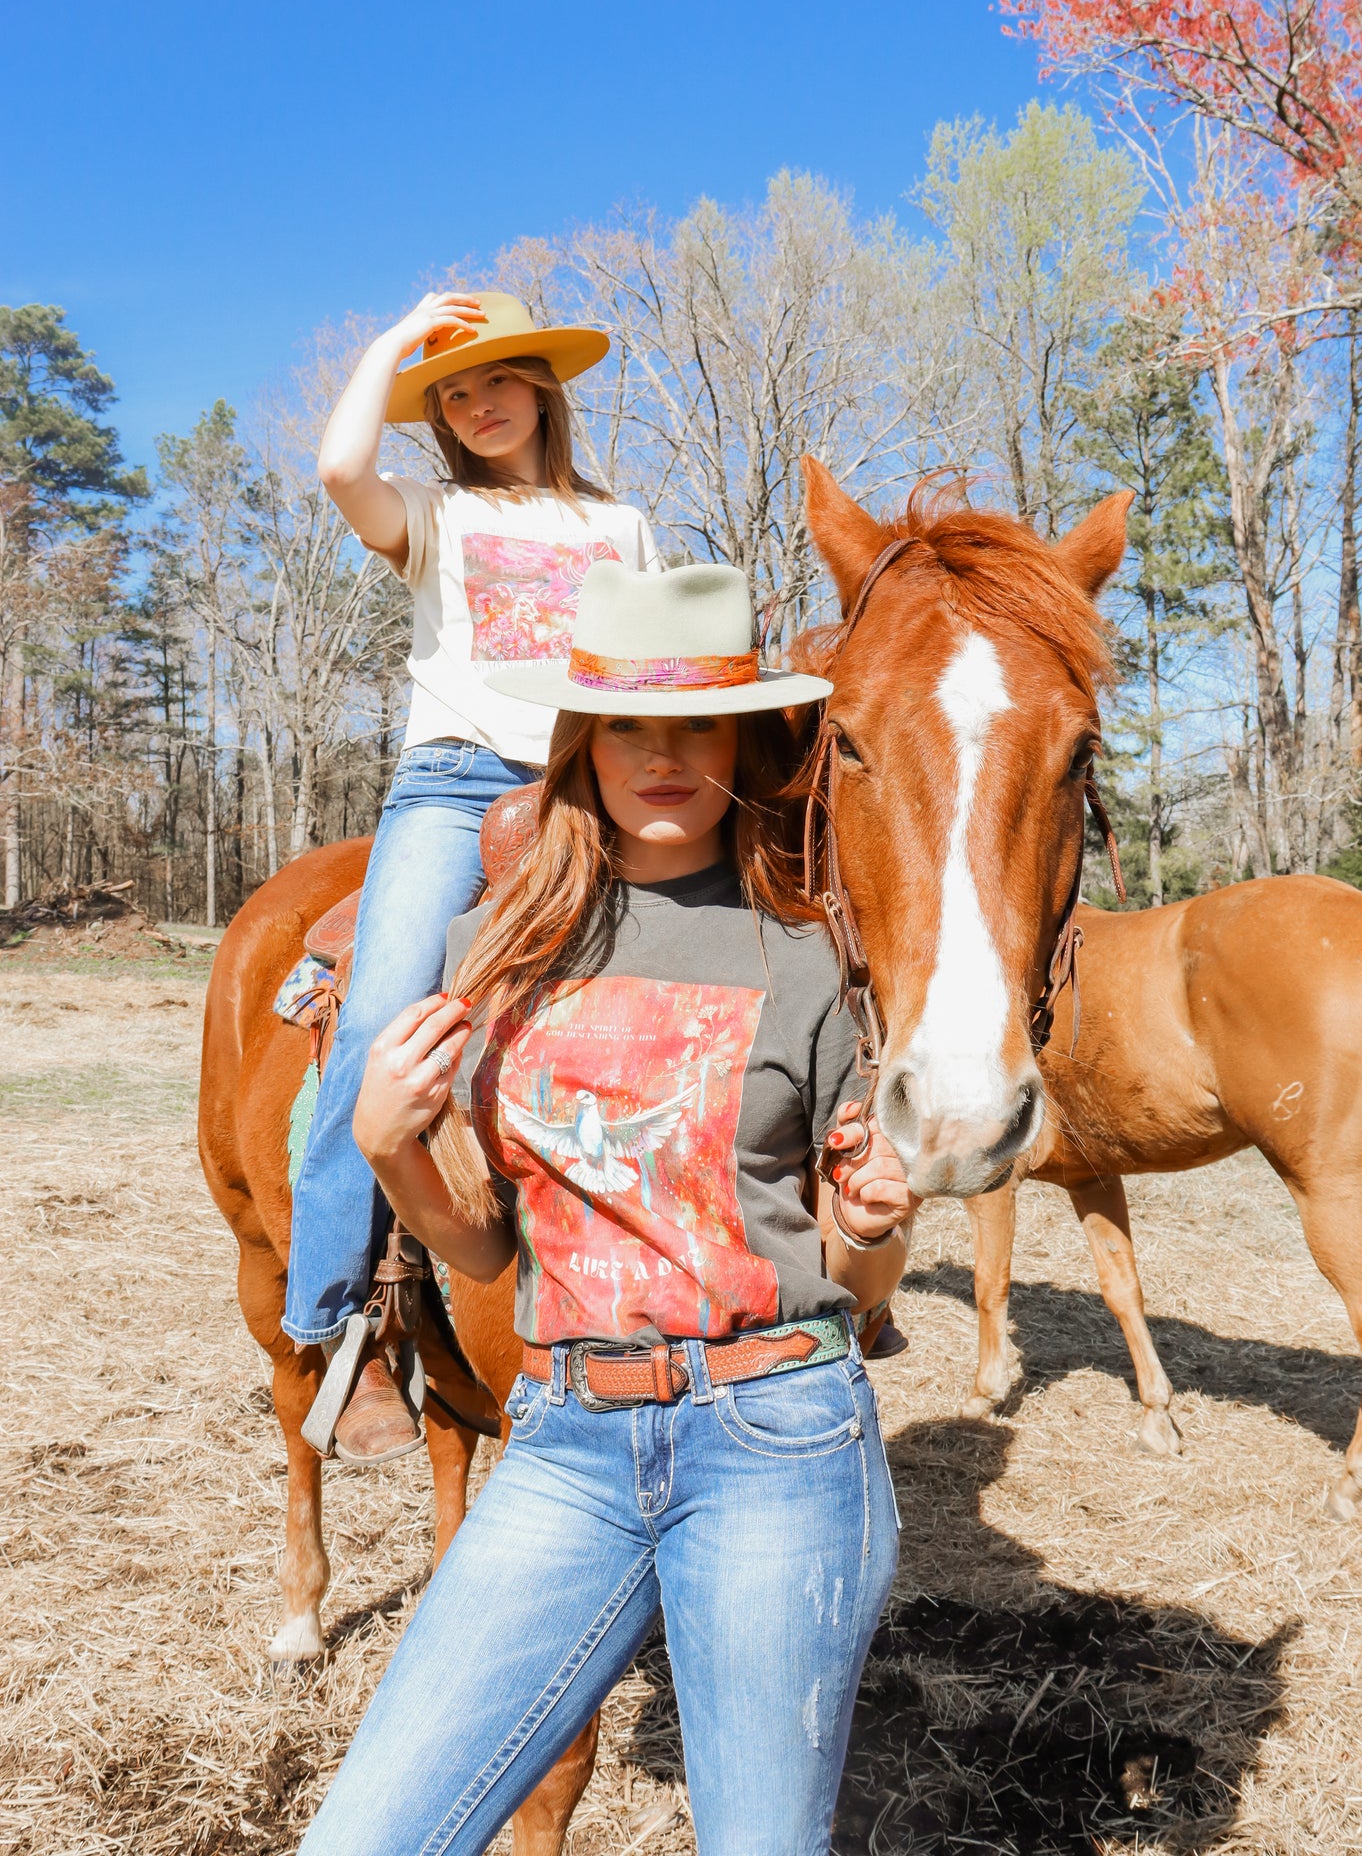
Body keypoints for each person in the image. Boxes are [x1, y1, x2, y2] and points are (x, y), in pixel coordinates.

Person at [298, 559, 915, 1856]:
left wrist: (869, 1221)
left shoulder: (808, 952)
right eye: (631, 721)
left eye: (698, 723)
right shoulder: (500, 946)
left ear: (744, 741)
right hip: (566, 1441)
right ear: (582, 739)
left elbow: (853, 1293)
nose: (664, 753)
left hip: (778, 1437)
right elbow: (482, 1243)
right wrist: (387, 1147)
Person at [282, 288, 659, 1468]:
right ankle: (333, 1320)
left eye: (494, 379)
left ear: (541, 387)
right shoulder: (433, 512)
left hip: (586, 782)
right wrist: (391, 337)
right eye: (449, 392)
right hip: (451, 784)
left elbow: (647, 673)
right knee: (387, 1014)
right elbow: (343, 464)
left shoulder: (624, 527)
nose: (474, 403)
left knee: (713, 973)